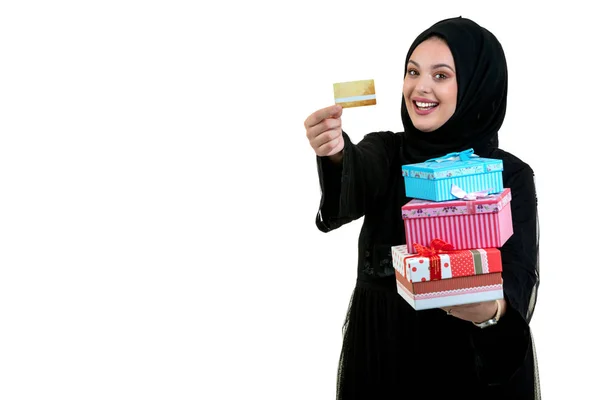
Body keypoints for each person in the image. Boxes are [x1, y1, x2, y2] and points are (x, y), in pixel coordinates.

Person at [304, 16, 540, 400]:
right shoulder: (387, 151)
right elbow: (358, 170)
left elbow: (518, 277)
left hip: (468, 369)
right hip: (384, 361)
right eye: (412, 71)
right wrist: (335, 153)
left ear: (479, 86)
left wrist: (489, 310)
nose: (420, 87)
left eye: (441, 75)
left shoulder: (508, 174)